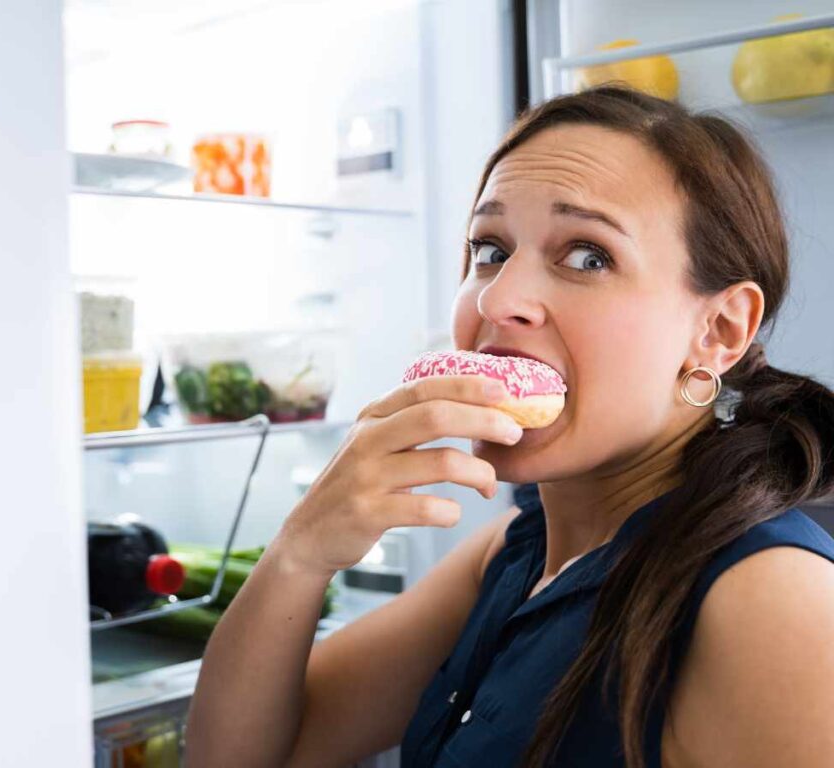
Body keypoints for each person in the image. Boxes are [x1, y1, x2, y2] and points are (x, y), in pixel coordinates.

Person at [183, 85, 834, 767]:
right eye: (490, 249)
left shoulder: (772, 601)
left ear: (718, 330)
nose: (498, 298)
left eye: (588, 256)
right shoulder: (513, 553)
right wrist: (299, 553)